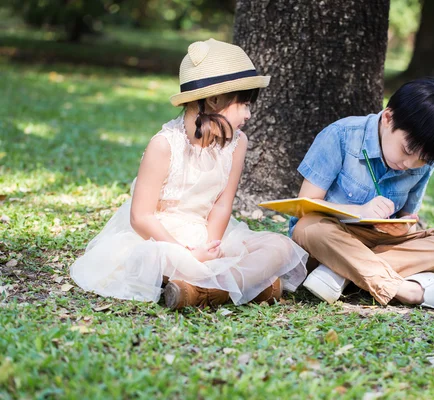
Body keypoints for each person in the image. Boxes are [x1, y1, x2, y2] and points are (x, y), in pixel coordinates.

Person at [70, 39, 308, 310]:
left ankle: (201, 290)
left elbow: (222, 204)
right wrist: (187, 254)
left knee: (279, 246)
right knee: (158, 259)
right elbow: (141, 217)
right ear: (215, 99)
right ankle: (242, 286)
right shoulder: (164, 144)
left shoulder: (237, 143)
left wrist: (210, 248)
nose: (249, 114)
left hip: (207, 233)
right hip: (159, 237)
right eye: (243, 104)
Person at [291, 78, 434, 311]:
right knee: (308, 227)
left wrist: (405, 226)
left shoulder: (422, 163)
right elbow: (304, 207)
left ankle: (342, 273)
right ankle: (408, 291)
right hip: (329, 239)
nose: (410, 164)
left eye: (423, 159)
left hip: (379, 241)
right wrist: (359, 211)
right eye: (407, 150)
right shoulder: (341, 135)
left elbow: (409, 218)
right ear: (388, 118)